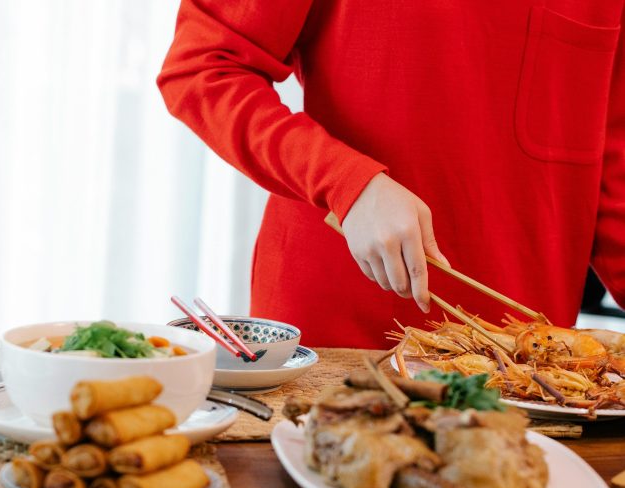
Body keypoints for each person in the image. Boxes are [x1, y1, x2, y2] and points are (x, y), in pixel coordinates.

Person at [159, 2, 625, 348]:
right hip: (336, 344)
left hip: (530, 368)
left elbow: (611, 150)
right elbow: (203, 66)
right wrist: (347, 183)